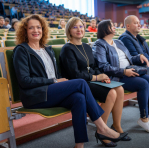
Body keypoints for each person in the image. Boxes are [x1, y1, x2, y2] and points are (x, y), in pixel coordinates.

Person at [13, 14, 127, 148]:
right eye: (31, 28)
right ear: (24, 31)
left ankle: (79, 145)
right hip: (35, 95)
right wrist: (54, 81)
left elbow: (55, 74)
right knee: (80, 82)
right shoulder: (22, 50)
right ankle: (102, 128)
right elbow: (25, 81)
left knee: (78, 98)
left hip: (50, 92)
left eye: (38, 27)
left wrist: (59, 80)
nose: (36, 30)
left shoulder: (47, 50)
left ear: (43, 29)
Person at [60, 17, 131, 147]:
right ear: (69, 31)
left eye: (81, 26)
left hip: (92, 80)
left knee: (119, 89)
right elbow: (75, 74)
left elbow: (94, 67)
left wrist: (102, 76)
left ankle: (116, 126)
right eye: (75, 27)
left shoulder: (86, 46)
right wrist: (97, 78)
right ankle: (102, 131)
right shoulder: (67, 49)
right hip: (79, 84)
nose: (79, 29)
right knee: (111, 93)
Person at [93, 20, 149, 134]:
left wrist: (138, 57)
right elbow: (104, 66)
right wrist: (123, 72)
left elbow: (130, 58)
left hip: (129, 70)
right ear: (104, 29)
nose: (114, 27)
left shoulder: (117, 42)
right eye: (111, 26)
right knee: (143, 84)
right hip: (117, 76)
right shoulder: (99, 44)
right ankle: (144, 118)